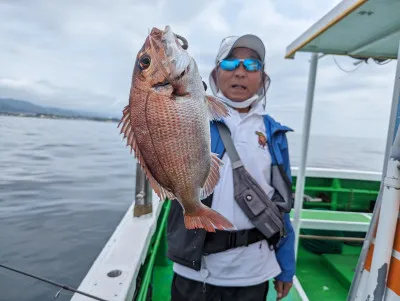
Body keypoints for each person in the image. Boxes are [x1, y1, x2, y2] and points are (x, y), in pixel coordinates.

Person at [166, 34, 296, 301]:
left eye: (251, 65)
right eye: (229, 64)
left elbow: (281, 205)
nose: (240, 72)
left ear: (262, 77)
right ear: (214, 73)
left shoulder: (274, 133)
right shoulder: (192, 113)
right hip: (195, 270)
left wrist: (286, 266)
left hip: (254, 271)